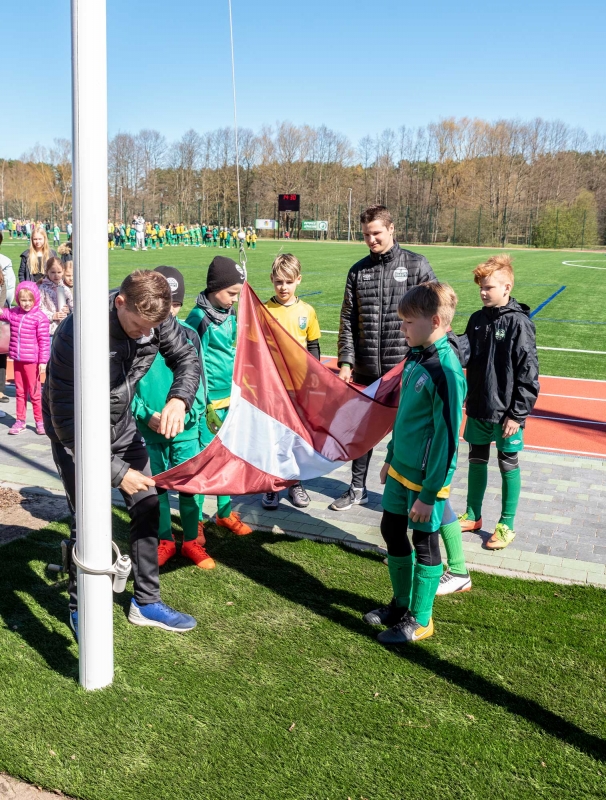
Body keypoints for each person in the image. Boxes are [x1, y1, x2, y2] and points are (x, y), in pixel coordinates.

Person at [42, 269, 201, 638]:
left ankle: (146, 603)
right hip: (75, 435)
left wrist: (179, 398)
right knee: (88, 518)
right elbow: (66, 423)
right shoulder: (75, 334)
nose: (147, 334)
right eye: (138, 326)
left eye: (153, 328)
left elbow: (187, 360)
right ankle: (79, 604)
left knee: (147, 505)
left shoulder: (154, 318)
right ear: (120, 302)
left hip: (122, 428)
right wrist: (116, 474)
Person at [364, 283, 466, 644]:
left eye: (408, 322)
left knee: (424, 544)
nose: (402, 329)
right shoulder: (416, 356)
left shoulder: (447, 371)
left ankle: (421, 619)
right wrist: (390, 457)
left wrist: (430, 492)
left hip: (426, 483)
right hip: (399, 470)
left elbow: (448, 440)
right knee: (392, 531)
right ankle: (402, 604)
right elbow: (405, 415)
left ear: (435, 321)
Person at [331, 204, 436, 511]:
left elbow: (434, 313)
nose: (371, 240)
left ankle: (404, 491)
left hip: (404, 368)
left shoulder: (417, 266)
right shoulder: (358, 271)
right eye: (366, 234)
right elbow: (348, 320)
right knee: (362, 433)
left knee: (407, 433)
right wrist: (347, 363)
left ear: (391, 229)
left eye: (376, 233)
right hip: (365, 369)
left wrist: (422, 358)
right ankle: (357, 488)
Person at [132, 266, 214, 569]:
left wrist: (188, 415)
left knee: (191, 487)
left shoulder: (189, 334)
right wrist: (144, 414)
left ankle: (192, 541)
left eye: (175, 304)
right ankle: (165, 540)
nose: (168, 313)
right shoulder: (137, 334)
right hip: (150, 430)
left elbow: (198, 380)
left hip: (186, 431)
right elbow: (127, 386)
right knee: (158, 488)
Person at [457, 255, 539, 551]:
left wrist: (517, 414)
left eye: (488, 287)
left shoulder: (519, 323)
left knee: (507, 464)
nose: (482, 292)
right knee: (476, 460)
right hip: (478, 406)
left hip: (507, 414)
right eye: (480, 287)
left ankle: (506, 524)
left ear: (507, 287)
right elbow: (464, 353)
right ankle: (473, 515)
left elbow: (529, 373)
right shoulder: (477, 319)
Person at [186, 256, 253, 537]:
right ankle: (197, 522)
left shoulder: (230, 314)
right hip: (207, 405)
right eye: (232, 294)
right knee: (203, 461)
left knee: (228, 457)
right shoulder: (197, 319)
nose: (235, 300)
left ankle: (224, 513)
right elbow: (191, 364)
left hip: (231, 401)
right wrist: (203, 403)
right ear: (215, 288)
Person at [260, 253, 321, 510]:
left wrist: (313, 379)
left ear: (298, 280)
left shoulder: (307, 311)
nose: (283, 287)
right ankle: (272, 485)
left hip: (298, 388)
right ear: (272, 281)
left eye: (288, 281)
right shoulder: (263, 310)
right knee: (273, 436)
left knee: (297, 437)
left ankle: (295, 483)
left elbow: (314, 347)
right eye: (278, 282)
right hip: (272, 387)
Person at [0, 281, 50, 435]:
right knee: (20, 392)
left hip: (32, 362)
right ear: (18, 299)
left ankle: (39, 421)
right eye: (23, 300)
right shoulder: (14, 313)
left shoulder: (40, 318)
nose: (26, 304)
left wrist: (43, 362)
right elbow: (2, 312)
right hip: (18, 360)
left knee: (35, 393)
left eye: (29, 300)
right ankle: (20, 421)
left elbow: (44, 341)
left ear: (35, 299)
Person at [39, 257, 73, 337]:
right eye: (53, 272)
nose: (56, 275)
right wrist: (52, 316)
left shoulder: (65, 289)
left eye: (59, 272)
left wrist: (68, 310)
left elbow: (73, 307)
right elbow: (38, 309)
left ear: (63, 272)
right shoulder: (42, 288)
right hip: (47, 330)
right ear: (47, 272)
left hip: (63, 330)